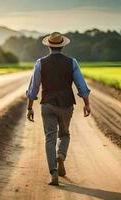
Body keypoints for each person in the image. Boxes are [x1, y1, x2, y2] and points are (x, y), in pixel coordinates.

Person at [26, 32, 91, 186]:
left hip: (47, 104)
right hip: (66, 104)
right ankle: (61, 155)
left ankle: (53, 173)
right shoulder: (72, 62)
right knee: (65, 134)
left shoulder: (40, 63)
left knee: (50, 137)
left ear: (49, 46)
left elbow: (33, 87)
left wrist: (30, 107)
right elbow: (81, 85)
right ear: (62, 46)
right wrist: (87, 103)